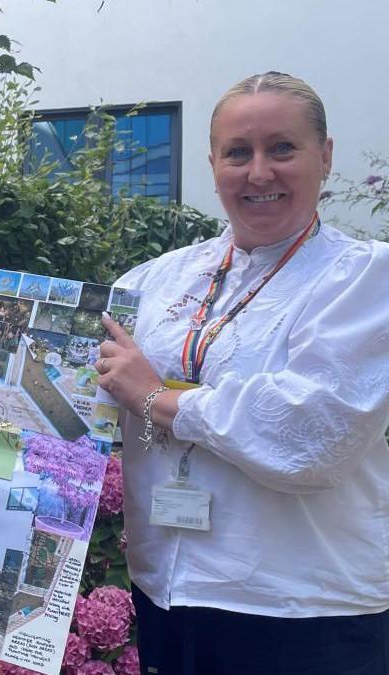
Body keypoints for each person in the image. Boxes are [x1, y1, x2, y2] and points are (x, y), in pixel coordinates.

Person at [95, 71, 389, 675]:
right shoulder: (151, 283)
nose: (259, 172)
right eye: (238, 153)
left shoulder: (363, 279)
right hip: (168, 595)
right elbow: (57, 406)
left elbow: (311, 436)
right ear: (212, 163)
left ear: (325, 155)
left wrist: (158, 398)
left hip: (303, 609)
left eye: (282, 148)